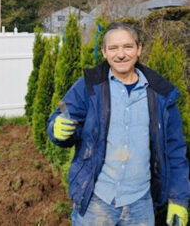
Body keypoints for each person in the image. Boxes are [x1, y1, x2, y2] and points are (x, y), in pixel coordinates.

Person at [47, 22, 190, 226]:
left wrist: (179, 199)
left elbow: (175, 150)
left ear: (139, 49)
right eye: (113, 48)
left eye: (128, 47)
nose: (120, 54)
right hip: (96, 201)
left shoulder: (160, 94)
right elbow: (60, 118)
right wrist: (56, 129)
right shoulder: (89, 86)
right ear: (104, 52)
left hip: (140, 204)